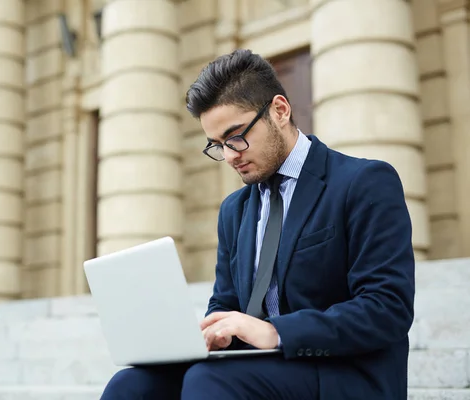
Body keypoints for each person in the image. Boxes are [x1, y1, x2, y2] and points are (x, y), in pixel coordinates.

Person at [100, 48, 415, 400]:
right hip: (256, 367)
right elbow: (225, 303)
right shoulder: (234, 210)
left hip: (345, 373)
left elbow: (387, 308)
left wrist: (276, 332)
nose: (231, 155)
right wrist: (211, 331)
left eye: (236, 136)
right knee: (130, 386)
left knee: (211, 381)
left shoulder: (363, 181)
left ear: (280, 110)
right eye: (218, 145)